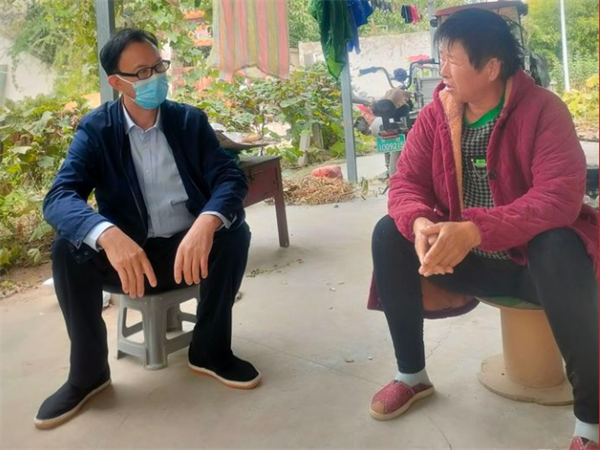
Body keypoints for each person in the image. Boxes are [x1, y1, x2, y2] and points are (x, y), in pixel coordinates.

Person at [370, 9, 599, 450]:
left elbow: (558, 198)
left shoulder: (543, 110)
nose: (443, 72)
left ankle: (591, 423)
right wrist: (419, 221)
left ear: (491, 67)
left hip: (535, 268)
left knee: (558, 243)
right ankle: (412, 375)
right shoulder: (437, 114)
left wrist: (473, 230)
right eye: (441, 59)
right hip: (471, 262)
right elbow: (406, 182)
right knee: (389, 233)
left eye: (453, 61)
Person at [35, 28, 261, 430]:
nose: (155, 77)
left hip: (186, 253)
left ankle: (210, 351)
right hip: (129, 260)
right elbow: (59, 196)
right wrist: (105, 233)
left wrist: (206, 221)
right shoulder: (97, 130)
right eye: (141, 72)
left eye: (159, 66)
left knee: (232, 232)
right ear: (117, 82)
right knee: (66, 250)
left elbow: (229, 178)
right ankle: (88, 374)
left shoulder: (189, 122)